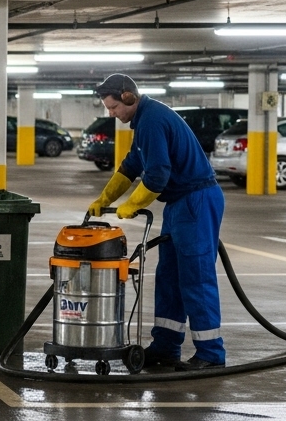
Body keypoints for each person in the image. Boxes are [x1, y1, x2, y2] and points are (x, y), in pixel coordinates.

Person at [88, 74, 225, 370]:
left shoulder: (151, 120)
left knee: (195, 277)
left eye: (113, 108)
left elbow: (157, 176)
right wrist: (105, 199)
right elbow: (132, 166)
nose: (112, 114)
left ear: (128, 97)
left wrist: (132, 204)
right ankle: (165, 347)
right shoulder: (144, 120)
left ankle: (211, 354)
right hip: (180, 204)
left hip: (196, 201)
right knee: (169, 278)